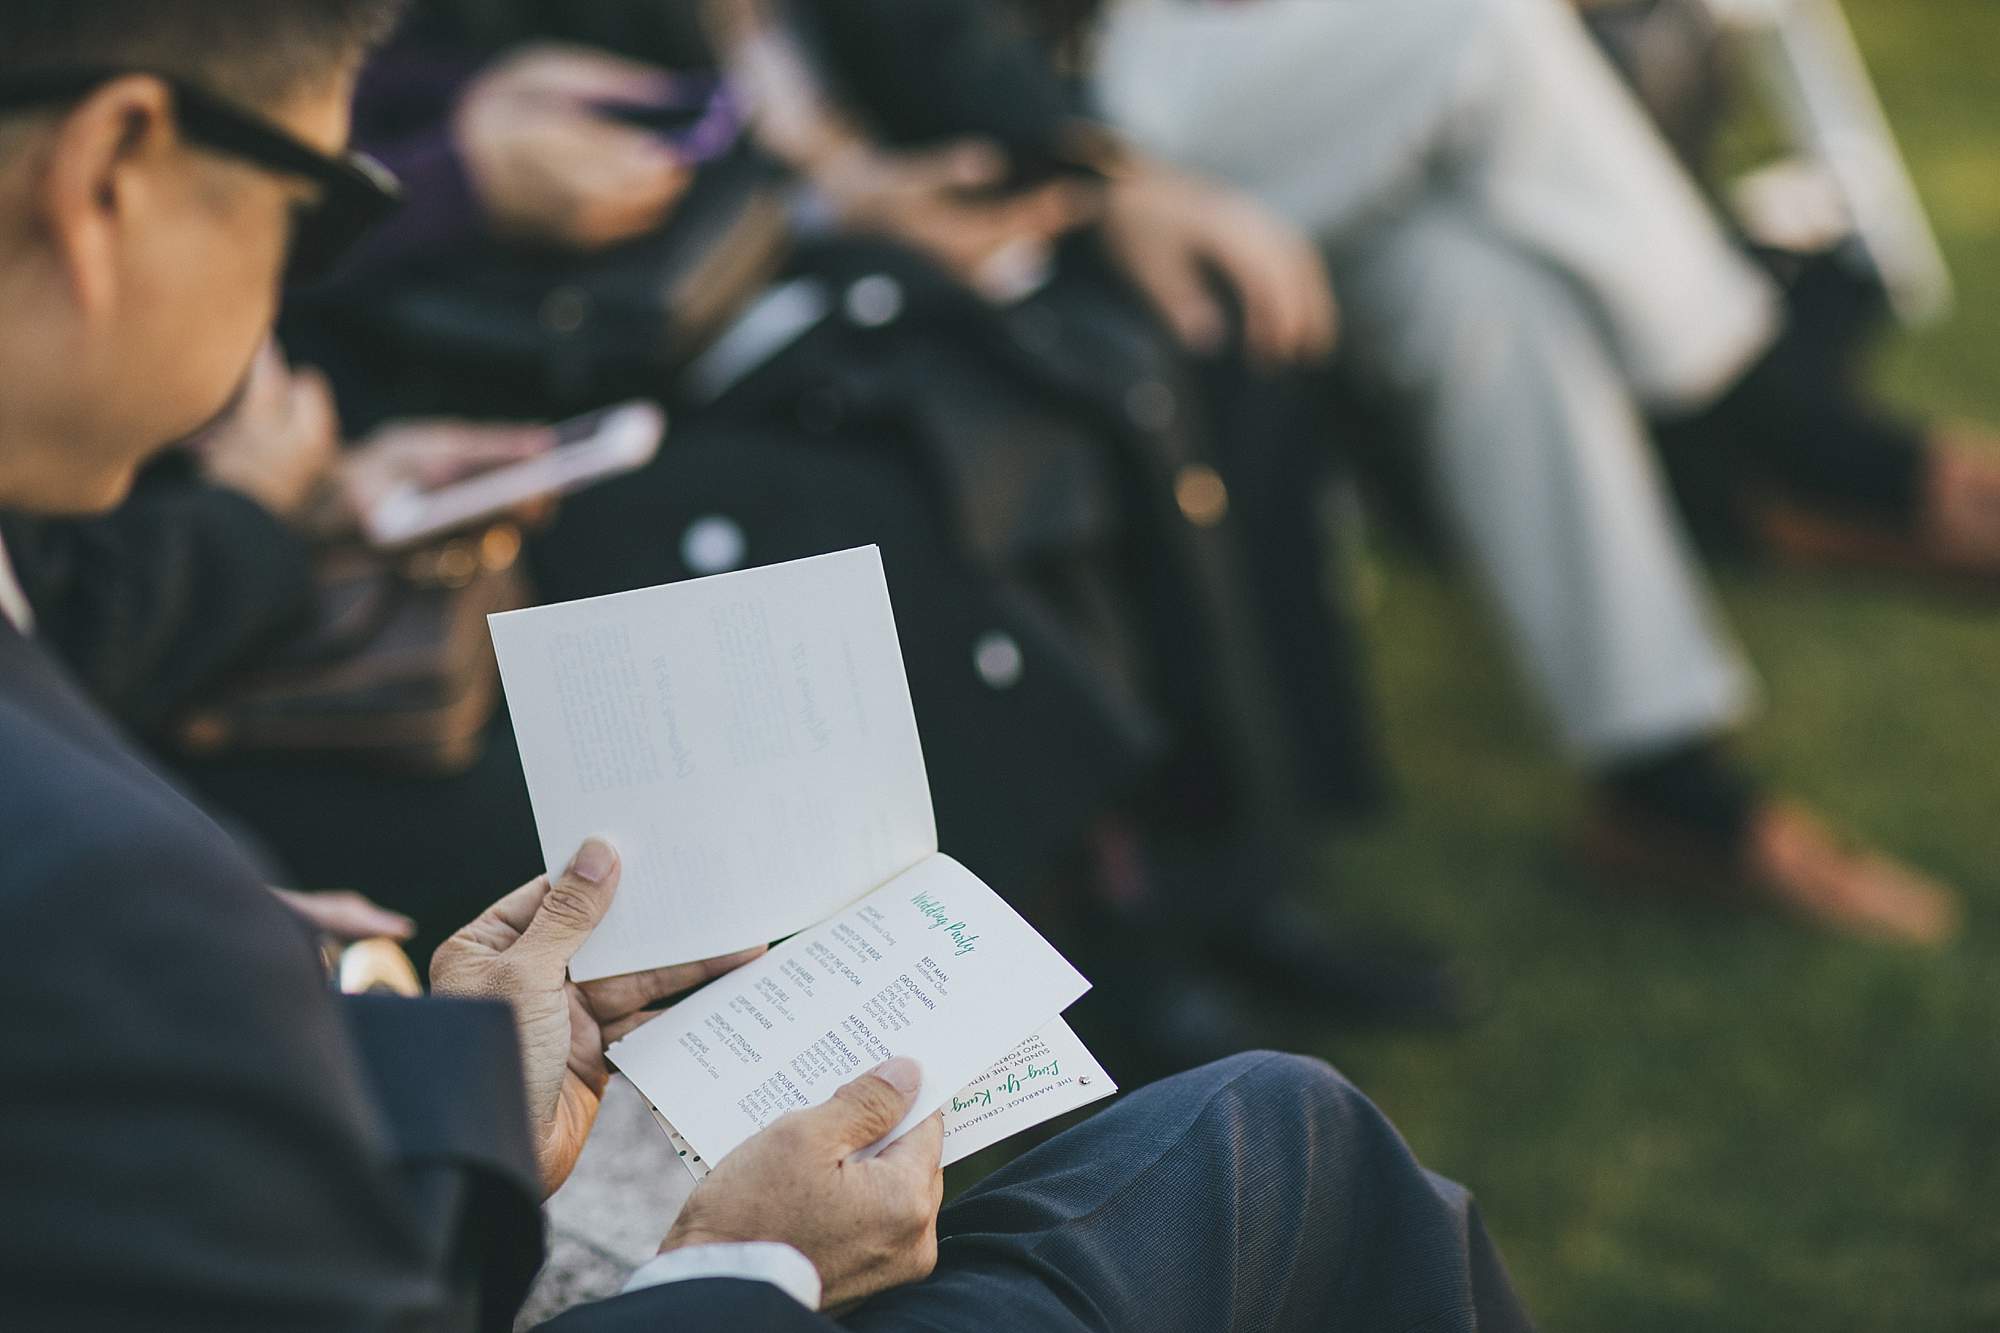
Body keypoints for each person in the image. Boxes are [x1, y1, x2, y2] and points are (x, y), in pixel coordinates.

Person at [0, 2, 1533, 1328]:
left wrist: (448, 1089)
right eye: (319, 206)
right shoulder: (121, 906)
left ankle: (1177, 904)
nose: (296, 285)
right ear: (105, 178)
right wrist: (739, 1268)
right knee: (1290, 1151)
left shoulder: (125, 890)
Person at [1084, 0, 1976, 945]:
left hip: (1244, 69)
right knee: (1477, 17)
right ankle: (1797, 439)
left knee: (1475, 290)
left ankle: (1664, 786)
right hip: (1076, 107)